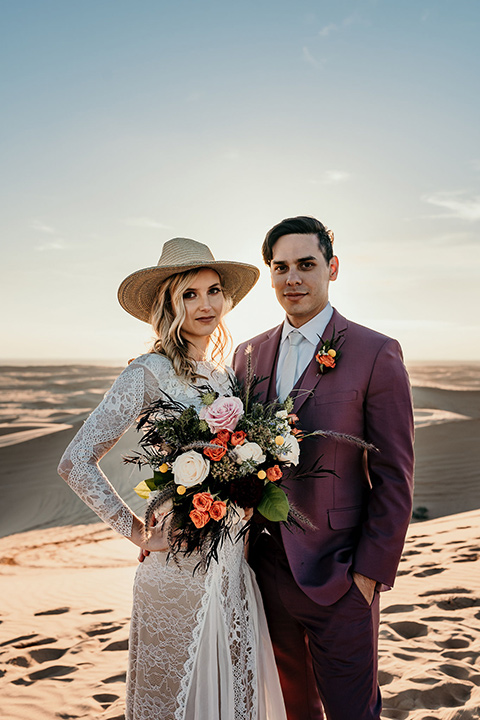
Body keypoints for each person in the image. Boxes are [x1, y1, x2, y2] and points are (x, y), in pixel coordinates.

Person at [58, 237, 288, 720]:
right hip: (178, 572)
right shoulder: (149, 372)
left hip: (233, 570)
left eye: (214, 290)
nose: (206, 304)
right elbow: (75, 460)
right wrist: (138, 531)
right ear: (168, 303)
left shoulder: (225, 378)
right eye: (189, 294)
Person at [233, 216, 415, 720]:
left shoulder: (375, 352)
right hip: (264, 573)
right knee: (293, 711)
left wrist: (368, 577)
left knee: (353, 712)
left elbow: (395, 475)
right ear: (269, 275)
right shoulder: (247, 355)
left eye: (306, 265)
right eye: (281, 267)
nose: (293, 278)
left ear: (331, 268)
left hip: (341, 577)